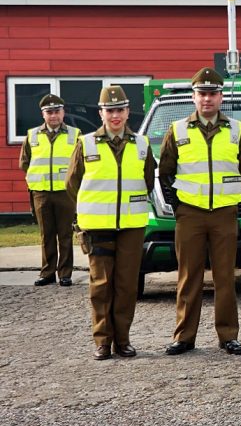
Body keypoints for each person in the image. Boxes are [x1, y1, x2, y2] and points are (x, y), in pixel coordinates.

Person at [159, 67, 241, 356]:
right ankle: (184, 337)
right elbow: (165, 172)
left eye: (212, 93)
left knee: (225, 277)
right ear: (193, 97)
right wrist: (179, 207)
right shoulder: (177, 130)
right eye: (202, 94)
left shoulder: (236, 129)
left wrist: (234, 202)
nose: (207, 99)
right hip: (190, 214)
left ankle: (228, 336)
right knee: (189, 277)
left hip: (224, 213)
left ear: (221, 97)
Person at [66, 86, 156, 360]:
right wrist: (87, 213)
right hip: (97, 226)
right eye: (109, 110)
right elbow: (72, 183)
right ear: (101, 113)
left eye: (120, 110)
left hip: (131, 225)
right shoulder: (87, 143)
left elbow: (148, 181)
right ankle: (103, 341)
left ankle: (124, 340)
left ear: (128, 113)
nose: (115, 115)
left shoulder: (142, 144)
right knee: (101, 286)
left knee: (126, 285)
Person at [20, 94, 80, 287]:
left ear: (63, 113)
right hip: (41, 193)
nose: (53, 116)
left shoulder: (75, 135)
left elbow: (80, 164)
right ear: (43, 114)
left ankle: (65, 274)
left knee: (65, 234)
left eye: (56, 111)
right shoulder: (32, 135)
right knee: (46, 234)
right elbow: (25, 162)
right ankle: (47, 272)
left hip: (65, 193)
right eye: (49, 112)